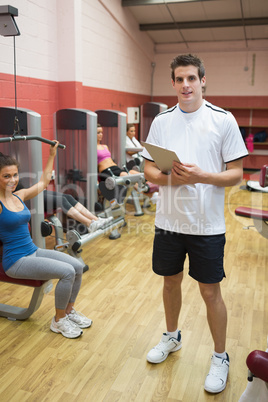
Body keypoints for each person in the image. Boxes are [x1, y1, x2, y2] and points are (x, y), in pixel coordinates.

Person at [141, 54, 248, 393]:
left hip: (207, 225)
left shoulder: (224, 120)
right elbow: (149, 171)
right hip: (169, 222)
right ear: (172, 83)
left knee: (209, 291)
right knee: (170, 283)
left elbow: (236, 175)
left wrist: (203, 176)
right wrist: (175, 180)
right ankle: (172, 337)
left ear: (203, 80)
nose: (185, 85)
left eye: (191, 78)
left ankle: (220, 356)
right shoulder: (161, 121)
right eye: (179, 79)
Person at [0, 142, 92, 339]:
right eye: (6, 176)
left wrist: (51, 155)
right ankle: (58, 321)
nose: (12, 180)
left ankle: (68, 311)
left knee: (76, 266)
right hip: (15, 261)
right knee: (67, 272)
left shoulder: (19, 196)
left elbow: (42, 183)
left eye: (15, 175)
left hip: (32, 251)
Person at [44, 190, 113, 233]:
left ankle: (96, 220)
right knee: (61, 200)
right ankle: (90, 224)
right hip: (34, 197)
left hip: (40, 190)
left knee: (68, 197)